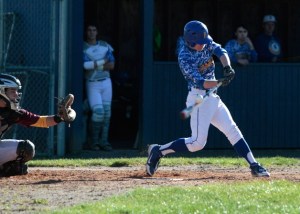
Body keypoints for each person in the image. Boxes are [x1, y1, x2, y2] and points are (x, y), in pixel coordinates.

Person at [146, 20, 270, 177]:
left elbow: (220, 51)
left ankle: (254, 165)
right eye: (199, 43)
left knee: (232, 130)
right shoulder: (184, 57)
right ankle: (159, 150)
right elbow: (201, 83)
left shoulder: (205, 41)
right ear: (190, 41)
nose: (203, 45)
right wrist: (220, 81)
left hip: (212, 97)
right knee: (197, 143)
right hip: (198, 98)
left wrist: (227, 67)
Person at [0, 73, 75, 177]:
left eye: (16, 91)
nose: (17, 94)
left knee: (26, 148)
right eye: (13, 91)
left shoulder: (14, 112)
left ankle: (4, 170)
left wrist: (60, 117)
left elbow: (41, 121)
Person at [83, 24, 115, 151]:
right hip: (92, 82)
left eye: (94, 30)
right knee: (98, 112)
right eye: (89, 30)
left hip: (106, 82)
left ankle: (104, 142)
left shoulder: (104, 45)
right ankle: (94, 142)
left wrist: (95, 65)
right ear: (86, 32)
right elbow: (85, 66)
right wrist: (103, 62)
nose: (91, 32)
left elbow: (112, 65)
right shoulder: (83, 47)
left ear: (97, 32)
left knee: (107, 113)